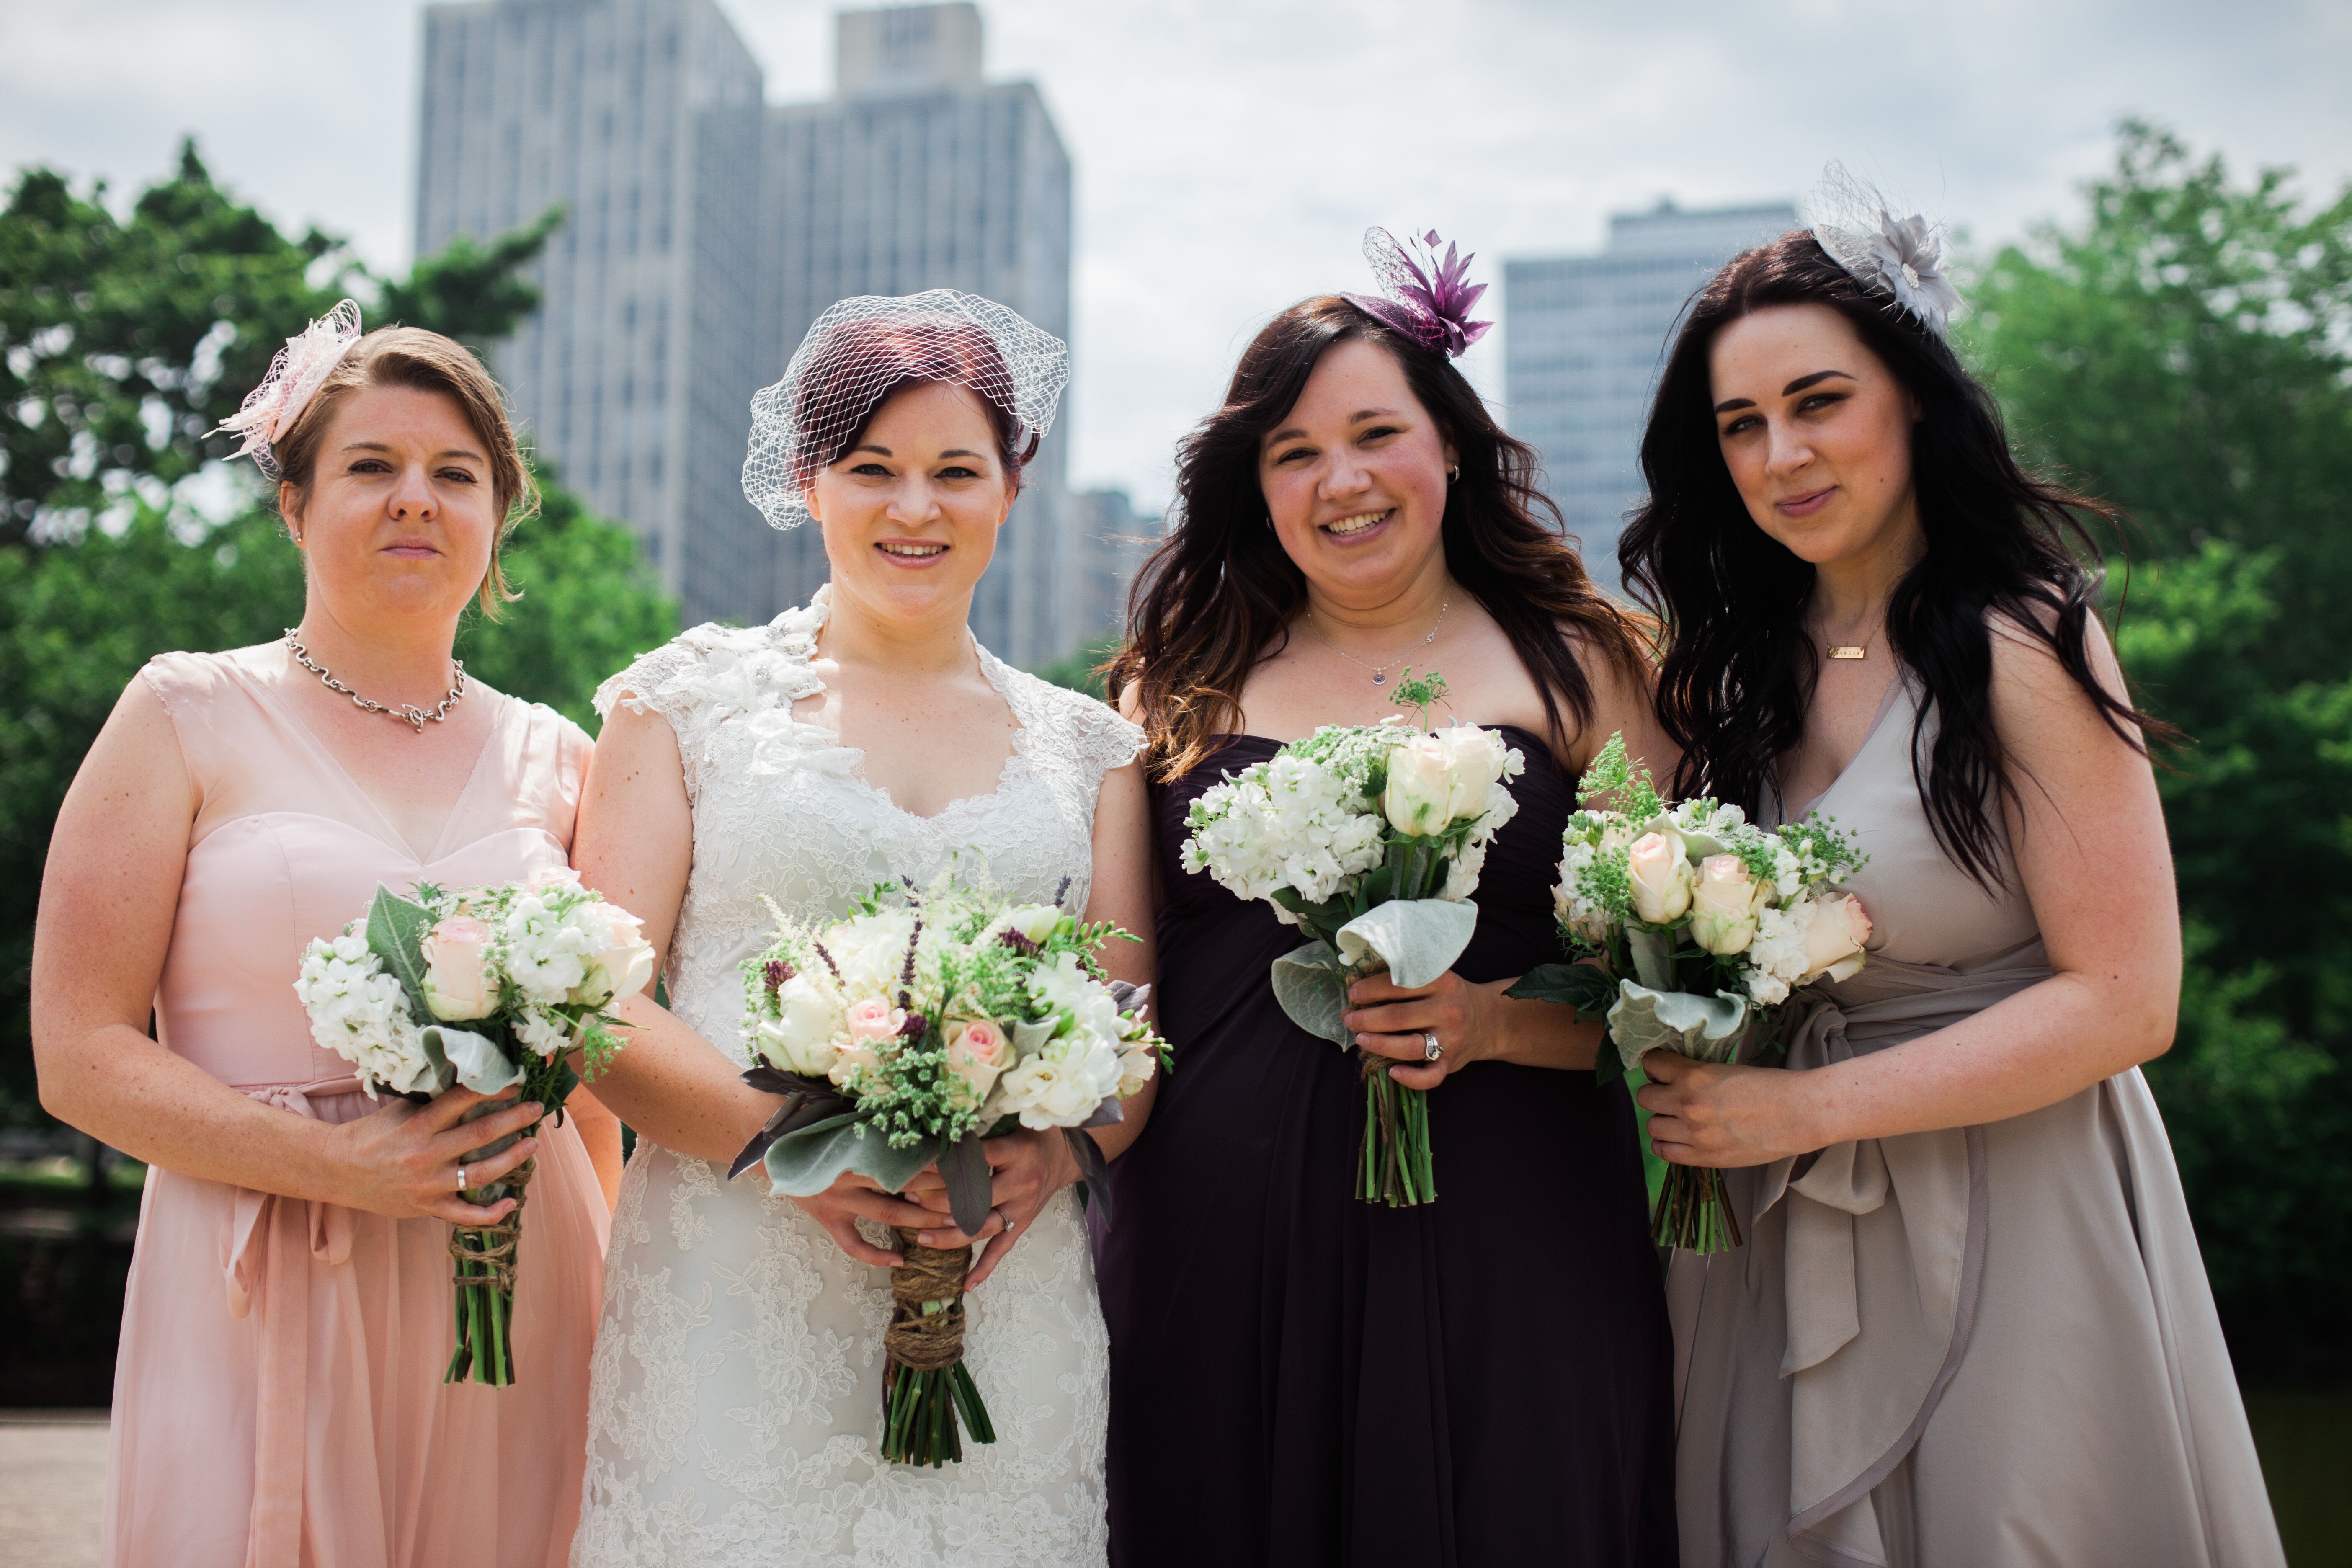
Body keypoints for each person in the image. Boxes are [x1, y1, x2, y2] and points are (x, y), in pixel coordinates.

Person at [1621, 184, 2286, 1566]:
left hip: (2015, 1210)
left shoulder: (2025, 639)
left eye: (1820, 402)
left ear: (1912, 401)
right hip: (1765, 1238)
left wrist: (1793, 1110)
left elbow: (2128, 999)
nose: (1782, 453)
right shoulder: (1736, 673)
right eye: (1741, 425)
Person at [1099, 230, 1679, 1567]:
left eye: (1376, 434)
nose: (1340, 481)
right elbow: (1113, 989)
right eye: (1294, 453)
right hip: (1218, 1248)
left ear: (1453, 446)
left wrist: (1490, 1025)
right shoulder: (1170, 685)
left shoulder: (1583, 662)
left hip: (1510, 1235)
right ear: (1254, 485)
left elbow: (1675, 992)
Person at [568, 290, 1151, 1566]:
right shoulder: (682, 703)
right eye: (872, 469)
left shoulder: (1092, 752)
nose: (914, 509)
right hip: (736, 1291)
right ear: (807, 479)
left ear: (1013, 482)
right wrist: (790, 1148)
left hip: (1007, 1294)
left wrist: (1054, 1158)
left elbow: (1131, 1034)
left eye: (957, 471)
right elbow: (597, 1001)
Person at [31, 304, 619, 1568]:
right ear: (294, 506)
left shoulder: (565, 757)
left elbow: (605, 1070)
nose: (417, 498)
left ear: (496, 517)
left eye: (455, 475)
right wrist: (340, 1170)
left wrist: (622, 1287)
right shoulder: (184, 713)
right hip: (269, 1267)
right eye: (371, 467)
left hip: (525, 1273)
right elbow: (76, 1053)